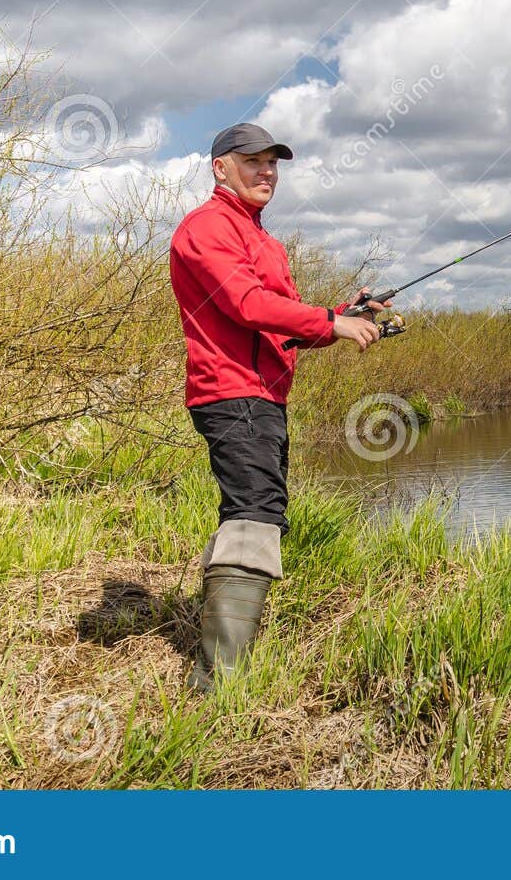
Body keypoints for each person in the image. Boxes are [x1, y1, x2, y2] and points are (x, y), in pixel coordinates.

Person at [169, 122, 390, 693]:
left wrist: (348, 314)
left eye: (273, 163)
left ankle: (221, 647)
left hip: (264, 396)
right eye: (253, 161)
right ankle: (217, 681)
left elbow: (283, 322)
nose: (266, 171)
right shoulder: (207, 228)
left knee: (253, 508)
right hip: (232, 392)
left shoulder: (262, 240)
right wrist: (329, 321)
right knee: (256, 512)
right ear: (221, 167)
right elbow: (246, 304)